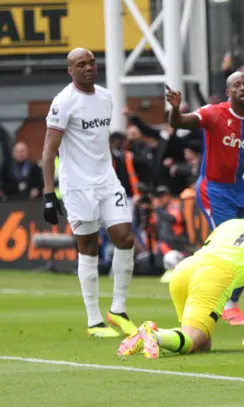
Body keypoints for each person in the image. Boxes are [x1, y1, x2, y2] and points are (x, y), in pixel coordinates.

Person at [117, 191, 244, 358]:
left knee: (202, 345)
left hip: (185, 268)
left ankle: (155, 336)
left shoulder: (230, 224)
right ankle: (154, 334)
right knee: (192, 340)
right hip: (214, 277)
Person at [165, 72, 244, 326]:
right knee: (231, 246)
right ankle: (226, 303)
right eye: (237, 85)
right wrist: (175, 109)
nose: (243, 87)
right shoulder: (213, 113)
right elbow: (179, 123)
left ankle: (236, 298)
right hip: (213, 189)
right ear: (228, 91)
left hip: (240, 189)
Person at [42, 48, 137, 338]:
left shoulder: (106, 97)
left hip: (107, 182)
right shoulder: (63, 102)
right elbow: (48, 150)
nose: (88, 68)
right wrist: (49, 194)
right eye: (81, 65)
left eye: (92, 63)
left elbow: (100, 141)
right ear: (70, 71)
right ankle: (94, 320)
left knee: (125, 237)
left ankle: (118, 310)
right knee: (89, 247)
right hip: (78, 187)